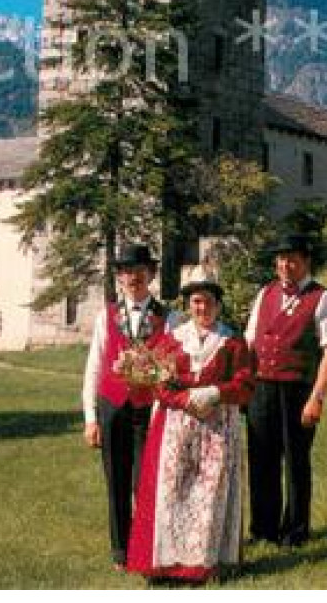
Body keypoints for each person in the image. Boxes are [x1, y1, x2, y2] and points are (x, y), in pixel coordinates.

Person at [125, 265, 253, 583]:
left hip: (217, 430)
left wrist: (214, 392)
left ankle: (204, 563)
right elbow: (159, 384)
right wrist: (184, 401)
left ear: (218, 303)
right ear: (188, 305)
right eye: (196, 301)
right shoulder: (171, 341)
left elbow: (246, 384)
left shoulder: (232, 342)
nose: (202, 307)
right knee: (174, 494)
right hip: (176, 430)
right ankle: (168, 564)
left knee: (208, 496)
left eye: (207, 300)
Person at [245, 230, 327, 548]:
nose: (286, 265)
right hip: (261, 387)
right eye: (281, 259)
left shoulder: (322, 298)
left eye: (293, 259)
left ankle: (296, 530)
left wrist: (317, 397)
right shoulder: (265, 293)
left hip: (298, 390)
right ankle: (263, 528)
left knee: (296, 461)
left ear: (305, 262)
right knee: (261, 458)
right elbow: (249, 341)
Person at [81, 244, 176, 568]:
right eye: (125, 272)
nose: (132, 277)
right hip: (113, 406)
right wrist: (91, 417)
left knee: (145, 481)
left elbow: (175, 367)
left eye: (139, 271)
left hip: (149, 410)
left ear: (150, 275)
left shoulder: (169, 317)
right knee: (116, 481)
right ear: (119, 278)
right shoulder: (105, 315)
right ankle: (120, 551)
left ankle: (148, 546)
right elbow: (94, 366)